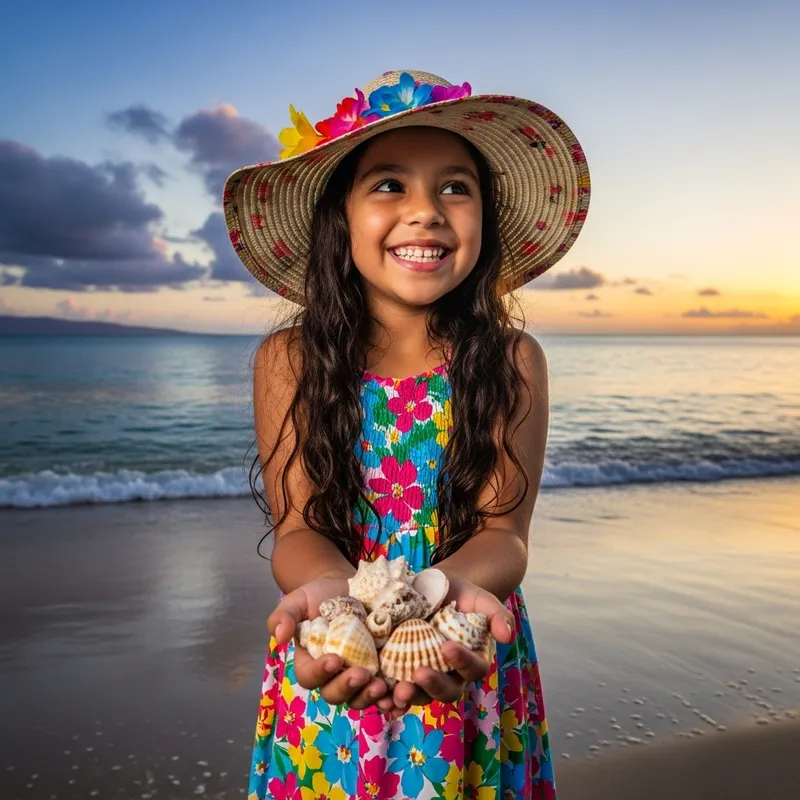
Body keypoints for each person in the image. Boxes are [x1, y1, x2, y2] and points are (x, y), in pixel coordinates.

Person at [223, 69, 591, 800]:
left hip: (460, 647)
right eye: (389, 184)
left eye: (456, 188)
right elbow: (298, 530)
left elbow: (503, 534)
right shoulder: (289, 361)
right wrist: (330, 596)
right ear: (341, 217)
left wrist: (448, 591)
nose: (426, 211)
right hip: (334, 655)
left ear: (484, 219)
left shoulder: (511, 361)